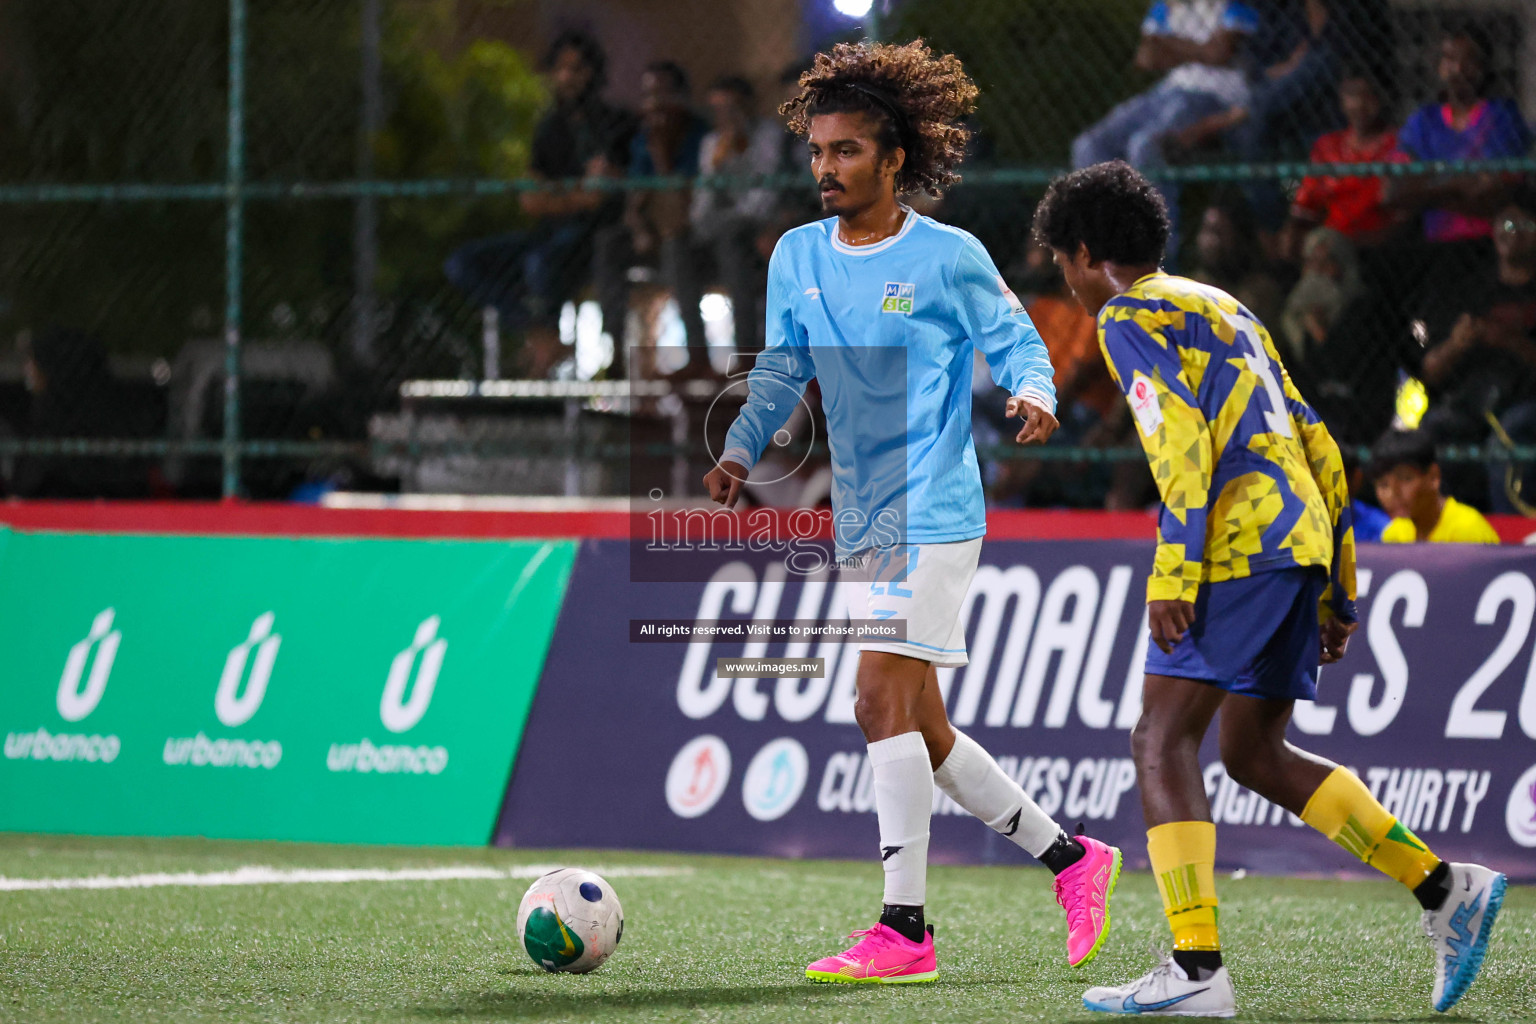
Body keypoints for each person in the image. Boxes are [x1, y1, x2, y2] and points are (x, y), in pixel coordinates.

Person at [1034, 160, 1508, 1017]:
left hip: (1234, 544)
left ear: (1081, 252)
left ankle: (1196, 970)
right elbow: (1318, 439)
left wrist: (1175, 570)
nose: (1063, 280)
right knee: (1252, 753)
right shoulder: (1223, 305)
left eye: (1060, 262)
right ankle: (1445, 888)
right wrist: (1338, 588)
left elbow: (1184, 447)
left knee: (1159, 738)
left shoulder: (1129, 316)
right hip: (1299, 539)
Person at [703, 39, 1122, 986]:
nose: (826, 168)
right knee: (923, 730)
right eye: (818, 152)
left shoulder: (947, 255)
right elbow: (783, 367)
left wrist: (1034, 391)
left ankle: (905, 930)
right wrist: (738, 446)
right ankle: (1072, 860)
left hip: (936, 509)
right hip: (868, 525)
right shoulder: (796, 255)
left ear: (895, 159)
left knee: (873, 699)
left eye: (847, 151)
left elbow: (1014, 335)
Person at [442, 31, 633, 377]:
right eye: (560, 69)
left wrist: (557, 193)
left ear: (593, 72)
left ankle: (545, 354)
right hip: (548, 232)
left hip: (596, 236)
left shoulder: (614, 124)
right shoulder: (549, 128)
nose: (567, 78)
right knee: (462, 264)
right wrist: (574, 193)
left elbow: (599, 196)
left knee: (540, 263)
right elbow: (532, 200)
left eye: (577, 69)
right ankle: (541, 335)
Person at [1071, 1, 1261, 264]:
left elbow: (1220, 53)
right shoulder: (1168, 4)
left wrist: (1171, 45)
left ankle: (1156, 260)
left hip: (1215, 94)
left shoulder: (1227, 4)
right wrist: (1200, 49)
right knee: (1088, 145)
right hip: (1167, 90)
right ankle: (1104, 251)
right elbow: (1147, 56)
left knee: (1146, 146)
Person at [592, 60, 711, 377]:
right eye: (649, 94)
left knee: (676, 247)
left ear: (681, 96)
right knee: (609, 244)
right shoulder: (642, 136)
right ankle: (615, 349)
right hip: (650, 227)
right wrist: (639, 228)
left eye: (664, 93)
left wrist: (661, 156)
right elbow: (636, 194)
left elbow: (681, 199)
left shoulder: (699, 135)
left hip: (688, 229)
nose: (655, 102)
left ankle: (697, 356)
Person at [1389, 25, 1532, 246]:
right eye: (1449, 59)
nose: (1458, 68)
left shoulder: (1502, 115)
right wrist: (1461, 184)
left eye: (1469, 60)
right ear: (1438, 65)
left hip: (1489, 241)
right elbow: (1394, 189)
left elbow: (1494, 191)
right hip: (1434, 242)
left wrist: (1428, 190)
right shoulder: (1423, 120)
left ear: (1484, 67)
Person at [688, 76, 785, 355]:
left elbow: (766, 196)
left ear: (748, 106)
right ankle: (697, 354)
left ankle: (748, 349)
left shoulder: (767, 135)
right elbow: (701, 211)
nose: (725, 117)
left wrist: (740, 153)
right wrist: (717, 167)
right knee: (682, 247)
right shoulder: (712, 143)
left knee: (734, 244)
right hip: (719, 227)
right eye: (717, 110)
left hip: (758, 224)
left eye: (732, 108)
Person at [1280, 71, 1409, 260]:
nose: (1359, 104)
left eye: (1368, 95)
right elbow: (1306, 202)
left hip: (1380, 247)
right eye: (1351, 95)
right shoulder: (1327, 146)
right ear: (1341, 100)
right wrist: (1293, 232)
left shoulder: (1398, 144)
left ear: (1381, 98)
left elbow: (1402, 214)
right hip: (1327, 243)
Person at [1370, 428, 1501, 543]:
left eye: (1405, 479)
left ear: (1433, 476)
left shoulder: (1468, 532)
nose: (1393, 494)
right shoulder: (1394, 534)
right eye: (1383, 485)